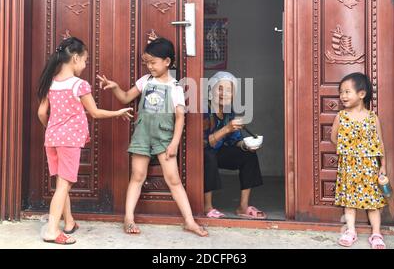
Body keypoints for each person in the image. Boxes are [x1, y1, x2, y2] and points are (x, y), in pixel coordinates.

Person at [97, 36, 208, 237]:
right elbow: (125, 98)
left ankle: (189, 221)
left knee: (173, 180)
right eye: (147, 62)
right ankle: (128, 218)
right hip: (142, 135)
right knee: (137, 176)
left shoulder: (175, 87)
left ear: (167, 62)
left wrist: (174, 143)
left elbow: (180, 118)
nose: (149, 66)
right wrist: (114, 88)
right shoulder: (144, 81)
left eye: (153, 62)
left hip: (164, 139)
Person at [37, 37, 133, 245]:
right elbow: (95, 113)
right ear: (75, 58)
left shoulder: (50, 82)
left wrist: (52, 130)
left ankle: (69, 222)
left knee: (60, 183)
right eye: (85, 60)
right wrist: (118, 112)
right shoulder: (79, 85)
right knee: (64, 185)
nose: (85, 64)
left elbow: (42, 113)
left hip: (52, 138)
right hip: (69, 141)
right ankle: (52, 231)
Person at [331, 72, 387, 249]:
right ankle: (350, 231)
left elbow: (380, 142)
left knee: (373, 203)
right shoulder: (341, 116)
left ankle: (376, 234)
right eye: (341, 92)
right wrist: (348, 150)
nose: (343, 96)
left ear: (361, 94)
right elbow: (334, 138)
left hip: (370, 167)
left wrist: (383, 166)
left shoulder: (372, 118)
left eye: (347, 92)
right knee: (349, 202)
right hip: (349, 166)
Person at [203, 71, 266, 219]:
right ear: (211, 89)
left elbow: (234, 139)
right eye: (219, 88)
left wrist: (246, 145)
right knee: (208, 155)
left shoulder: (228, 111)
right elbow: (204, 142)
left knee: (248, 155)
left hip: (218, 151)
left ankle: (243, 207)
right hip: (201, 153)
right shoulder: (204, 110)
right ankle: (207, 207)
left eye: (229, 90)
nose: (224, 93)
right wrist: (226, 128)